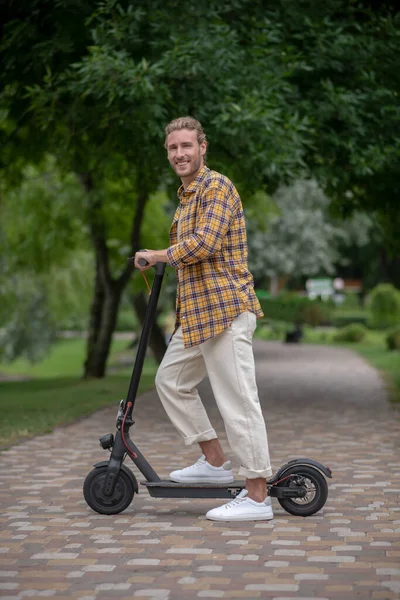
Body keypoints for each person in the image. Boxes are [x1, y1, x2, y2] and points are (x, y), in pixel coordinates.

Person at [134, 116, 273, 521]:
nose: (179, 153)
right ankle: (213, 461)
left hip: (226, 311)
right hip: (197, 317)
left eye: (186, 146)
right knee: (170, 381)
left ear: (202, 147)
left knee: (238, 404)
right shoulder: (186, 197)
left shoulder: (217, 186)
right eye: (173, 148)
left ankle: (257, 498)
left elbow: (206, 244)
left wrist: (158, 255)